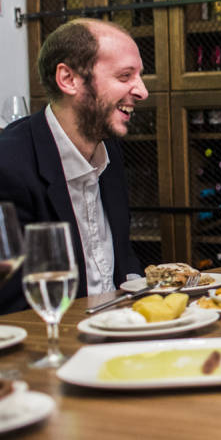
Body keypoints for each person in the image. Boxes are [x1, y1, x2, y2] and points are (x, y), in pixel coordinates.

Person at [0, 19, 148, 313]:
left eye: (139, 75)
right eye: (124, 76)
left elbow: (122, 259)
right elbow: (13, 305)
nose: (142, 91)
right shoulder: (8, 165)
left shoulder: (110, 152)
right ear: (68, 79)